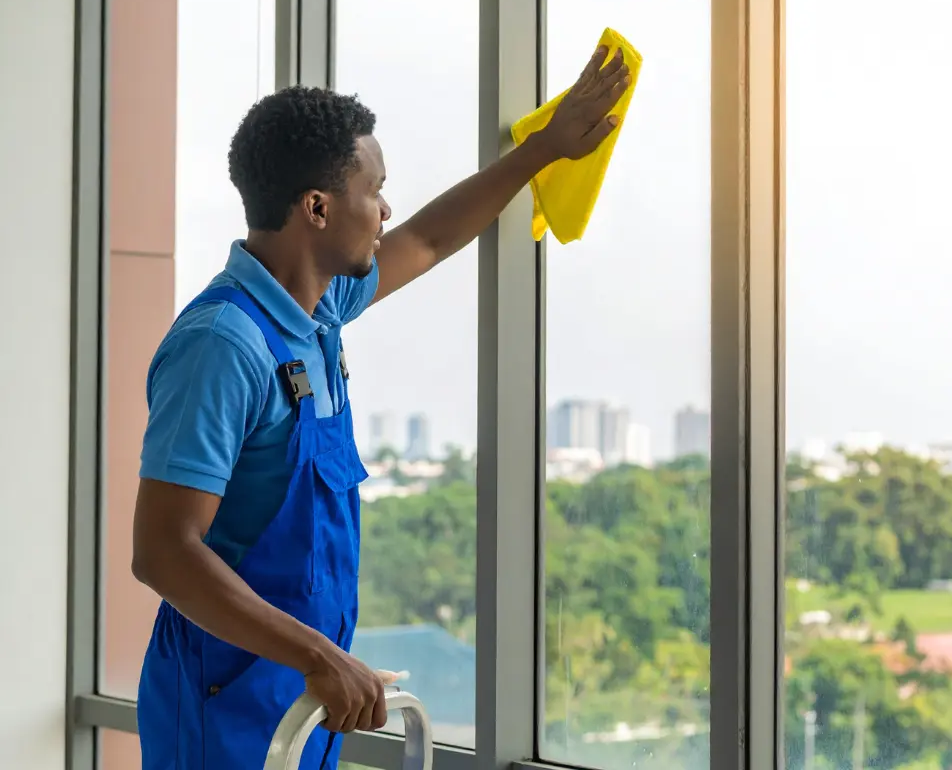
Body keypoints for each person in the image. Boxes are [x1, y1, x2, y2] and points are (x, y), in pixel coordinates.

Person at [132, 46, 629, 769]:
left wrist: (542, 151)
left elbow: (428, 238)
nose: (385, 209)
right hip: (222, 715)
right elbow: (164, 552)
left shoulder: (317, 313)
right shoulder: (224, 345)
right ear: (318, 208)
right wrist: (320, 657)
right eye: (376, 189)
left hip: (303, 703)